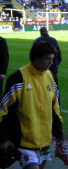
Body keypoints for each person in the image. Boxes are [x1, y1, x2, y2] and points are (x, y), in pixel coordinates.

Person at [0, 41, 64, 169]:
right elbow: (3, 110)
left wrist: (59, 136)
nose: (51, 63)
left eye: (52, 59)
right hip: (24, 143)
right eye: (47, 59)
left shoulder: (51, 77)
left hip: (45, 142)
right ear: (35, 58)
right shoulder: (18, 78)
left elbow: (55, 109)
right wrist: (3, 139)